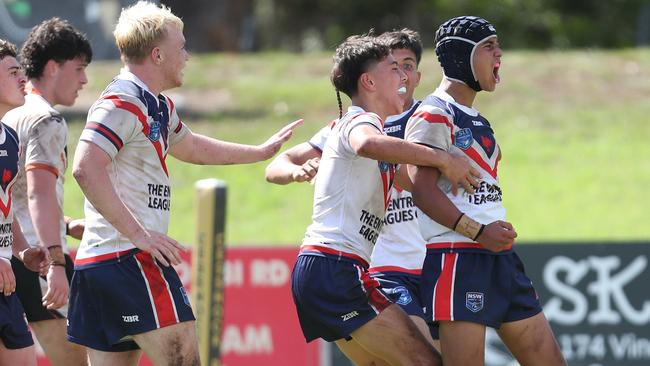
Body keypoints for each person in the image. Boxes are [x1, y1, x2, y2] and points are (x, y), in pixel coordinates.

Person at [66, 2, 301, 365]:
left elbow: (190, 145)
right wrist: (140, 234)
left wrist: (258, 152)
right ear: (158, 55)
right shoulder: (121, 102)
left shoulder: (156, 104)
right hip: (131, 262)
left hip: (102, 262)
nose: (187, 56)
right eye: (182, 47)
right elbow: (84, 167)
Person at [290, 33, 479, 366]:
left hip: (325, 269)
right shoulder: (362, 120)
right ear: (368, 81)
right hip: (336, 268)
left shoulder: (371, 130)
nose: (402, 77)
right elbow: (367, 144)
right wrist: (442, 159)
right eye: (393, 68)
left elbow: (413, 183)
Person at [405, 16, 566, 366]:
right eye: (489, 47)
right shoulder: (434, 112)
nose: (500, 54)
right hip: (458, 258)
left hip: (500, 258)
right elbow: (422, 191)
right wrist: (477, 230)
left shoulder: (476, 117)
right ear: (463, 57)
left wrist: (492, 230)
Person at [4, 18, 91, 366]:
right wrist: (56, 261)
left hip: (12, 250)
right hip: (38, 258)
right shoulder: (46, 119)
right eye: (80, 68)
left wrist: (67, 223)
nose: (84, 79)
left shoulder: (9, 116)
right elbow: (38, 194)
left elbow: (15, 194)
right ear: (54, 67)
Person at [0, 37, 50, 366]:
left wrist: (20, 250)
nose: (23, 78)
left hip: (5, 281)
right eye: (12, 71)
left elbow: (5, 209)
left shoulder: (10, 136)